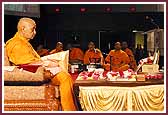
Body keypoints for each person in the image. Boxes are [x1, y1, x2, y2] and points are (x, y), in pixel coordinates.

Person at [5, 18, 76, 111]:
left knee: (64, 74)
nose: (34, 32)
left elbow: (32, 60)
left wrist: (47, 61)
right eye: (32, 29)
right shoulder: (16, 43)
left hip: (38, 70)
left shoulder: (24, 42)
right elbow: (26, 63)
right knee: (64, 77)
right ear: (23, 29)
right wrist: (47, 63)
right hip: (32, 74)